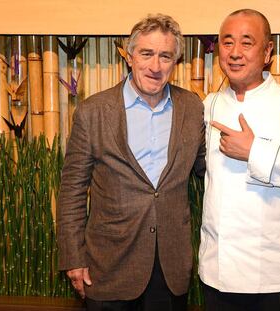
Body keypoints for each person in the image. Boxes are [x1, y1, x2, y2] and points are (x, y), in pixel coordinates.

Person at [57, 13, 205, 311]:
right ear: (129, 56)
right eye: (146, 53)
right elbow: (72, 189)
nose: (155, 66)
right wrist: (73, 258)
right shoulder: (93, 111)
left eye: (165, 56)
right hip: (108, 266)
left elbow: (207, 169)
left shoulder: (191, 107)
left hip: (170, 266)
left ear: (175, 62)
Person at [198, 9, 280, 311]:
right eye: (227, 42)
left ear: (268, 51)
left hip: (278, 278)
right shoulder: (208, 106)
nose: (235, 53)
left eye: (247, 43)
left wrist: (255, 151)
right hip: (218, 274)